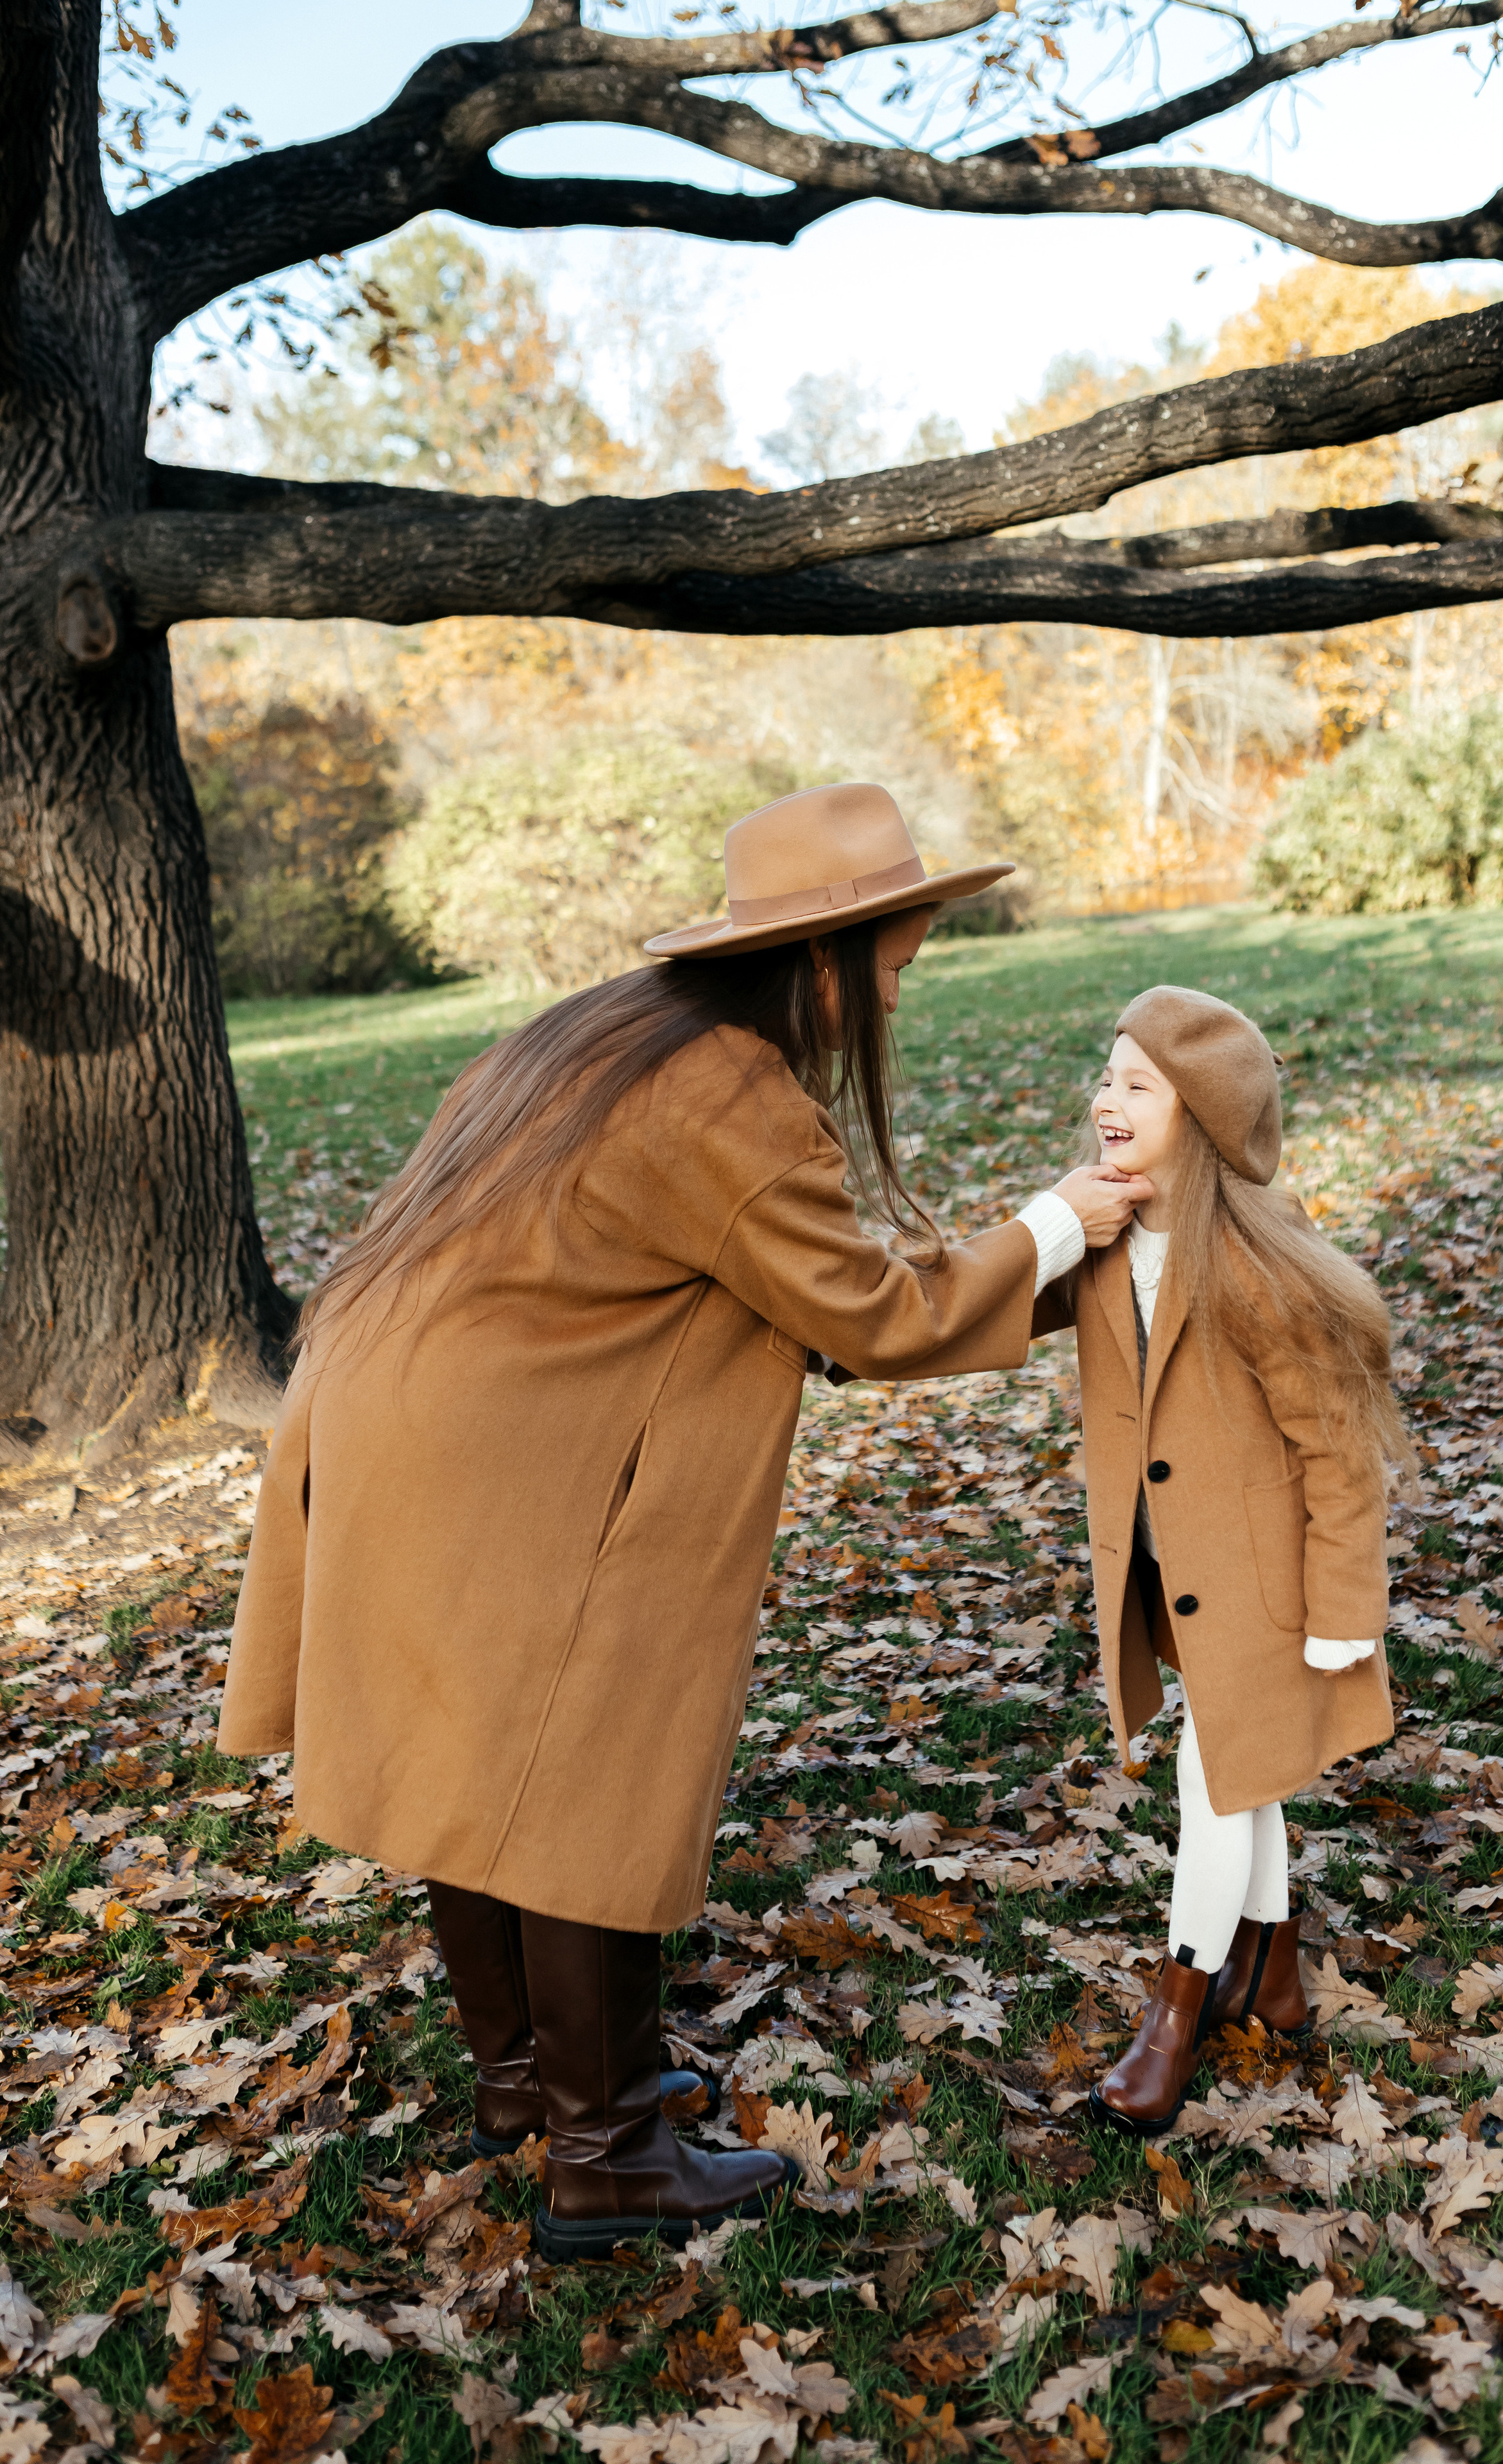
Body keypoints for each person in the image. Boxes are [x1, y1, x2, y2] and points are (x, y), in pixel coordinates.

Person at [219, 781, 1148, 2257]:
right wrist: (1059, 1222)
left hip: (394, 1408)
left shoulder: (604, 1036)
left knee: (480, 1752)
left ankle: (530, 2080)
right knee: (578, 1759)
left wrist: (1053, 1282)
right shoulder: (721, 1087)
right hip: (496, 1442)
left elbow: (828, 1305)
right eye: (893, 968)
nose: (895, 998)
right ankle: (607, 2161)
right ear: (823, 955)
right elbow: (869, 1315)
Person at [1032, 985, 1412, 2136]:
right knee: (1240, 1771)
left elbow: (1341, 1454)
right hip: (1174, 1574)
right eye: (1105, 1077)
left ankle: (1176, 2014)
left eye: (1137, 1085)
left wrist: (1346, 1608)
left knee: (1215, 1789)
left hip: (1264, 1580)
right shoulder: (1104, 1244)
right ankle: (1279, 1974)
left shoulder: (1253, 1269)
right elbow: (987, 1305)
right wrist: (1046, 1224)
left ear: (1197, 1119)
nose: (1107, 1100)